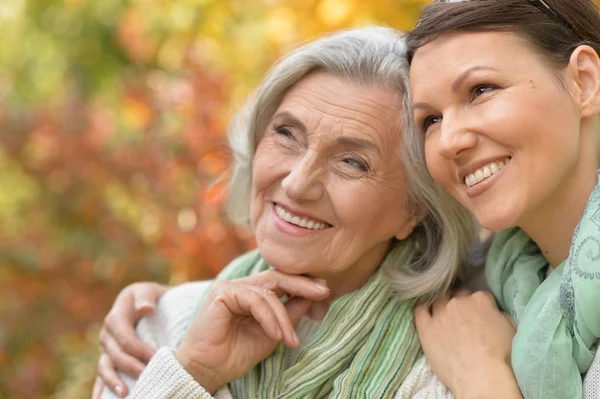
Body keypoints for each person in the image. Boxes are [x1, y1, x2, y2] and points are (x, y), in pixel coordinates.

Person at [94, 26, 478, 399]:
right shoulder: (161, 329)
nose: (296, 183)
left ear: (415, 208)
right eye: (287, 134)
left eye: (352, 162)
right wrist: (195, 373)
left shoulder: (450, 370)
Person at [405, 0, 600, 398]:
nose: (449, 142)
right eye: (431, 121)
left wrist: (484, 381)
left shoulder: (469, 352)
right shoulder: (475, 296)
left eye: (481, 90)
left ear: (584, 81)